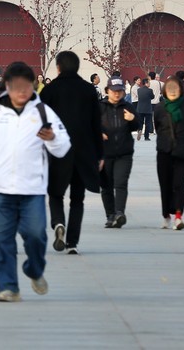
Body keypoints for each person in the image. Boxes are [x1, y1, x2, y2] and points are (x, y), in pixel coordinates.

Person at [0, 61, 71, 302]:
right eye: (17, 86)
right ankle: (8, 287)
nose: (22, 92)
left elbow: (63, 146)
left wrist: (52, 138)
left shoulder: (43, 112)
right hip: (1, 189)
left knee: (36, 235)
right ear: (7, 86)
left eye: (27, 86)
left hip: (32, 189)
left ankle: (34, 269)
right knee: (3, 241)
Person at [39, 51, 103, 255]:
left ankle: (59, 223)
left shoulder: (49, 90)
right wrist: (100, 154)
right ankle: (72, 243)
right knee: (77, 199)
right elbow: (96, 125)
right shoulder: (88, 90)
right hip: (83, 152)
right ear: (77, 67)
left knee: (55, 193)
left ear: (58, 67)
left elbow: (41, 122)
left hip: (57, 151)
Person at [154, 77, 184, 230]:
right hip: (164, 150)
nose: (172, 91)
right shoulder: (160, 107)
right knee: (165, 184)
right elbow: (157, 127)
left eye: (175, 88)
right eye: (169, 88)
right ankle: (166, 215)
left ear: (180, 89)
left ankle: (178, 216)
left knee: (179, 184)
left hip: (182, 150)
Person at [100, 77, 138, 228]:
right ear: (107, 91)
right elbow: (89, 126)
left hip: (124, 153)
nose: (117, 94)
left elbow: (136, 126)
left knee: (121, 183)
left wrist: (132, 119)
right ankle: (110, 215)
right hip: (104, 153)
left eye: (119, 91)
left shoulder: (128, 107)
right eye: (114, 91)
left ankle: (119, 213)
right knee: (106, 186)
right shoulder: (100, 107)